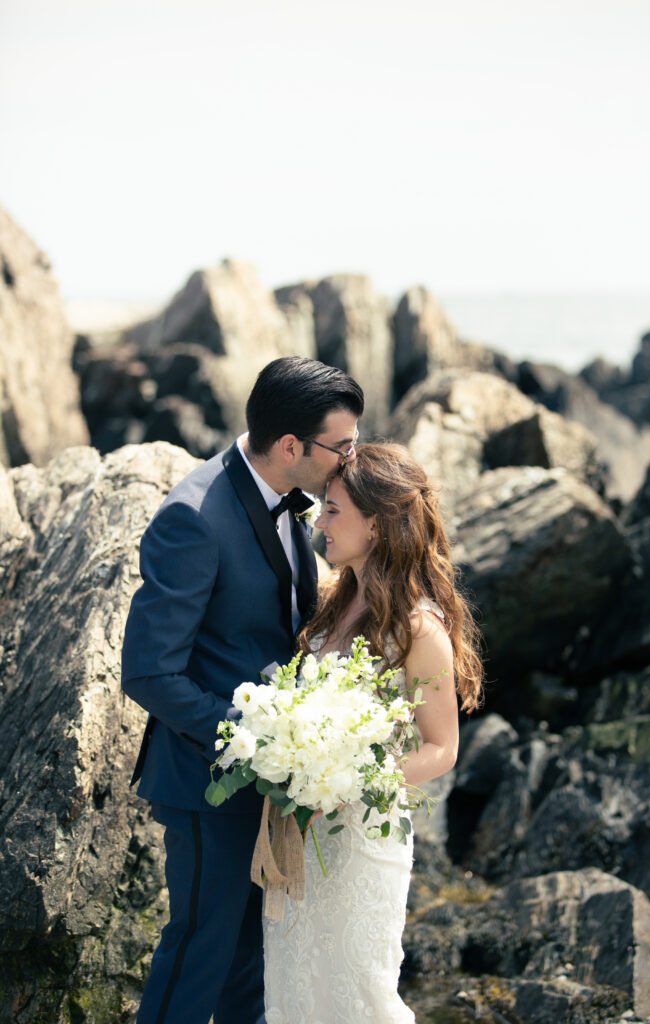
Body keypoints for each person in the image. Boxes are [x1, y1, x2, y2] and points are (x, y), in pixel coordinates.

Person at [121, 355, 364, 1024]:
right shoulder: (193, 517)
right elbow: (148, 670)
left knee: (252, 964)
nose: (350, 459)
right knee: (199, 953)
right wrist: (254, 740)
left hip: (272, 781)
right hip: (205, 780)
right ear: (291, 446)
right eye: (341, 446)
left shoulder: (293, 505)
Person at [263, 442, 483, 1024]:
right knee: (293, 991)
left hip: (364, 840)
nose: (319, 521)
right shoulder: (331, 603)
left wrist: (356, 777)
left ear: (378, 525)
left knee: (361, 998)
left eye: (333, 510)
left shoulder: (419, 627)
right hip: (299, 836)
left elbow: (442, 748)